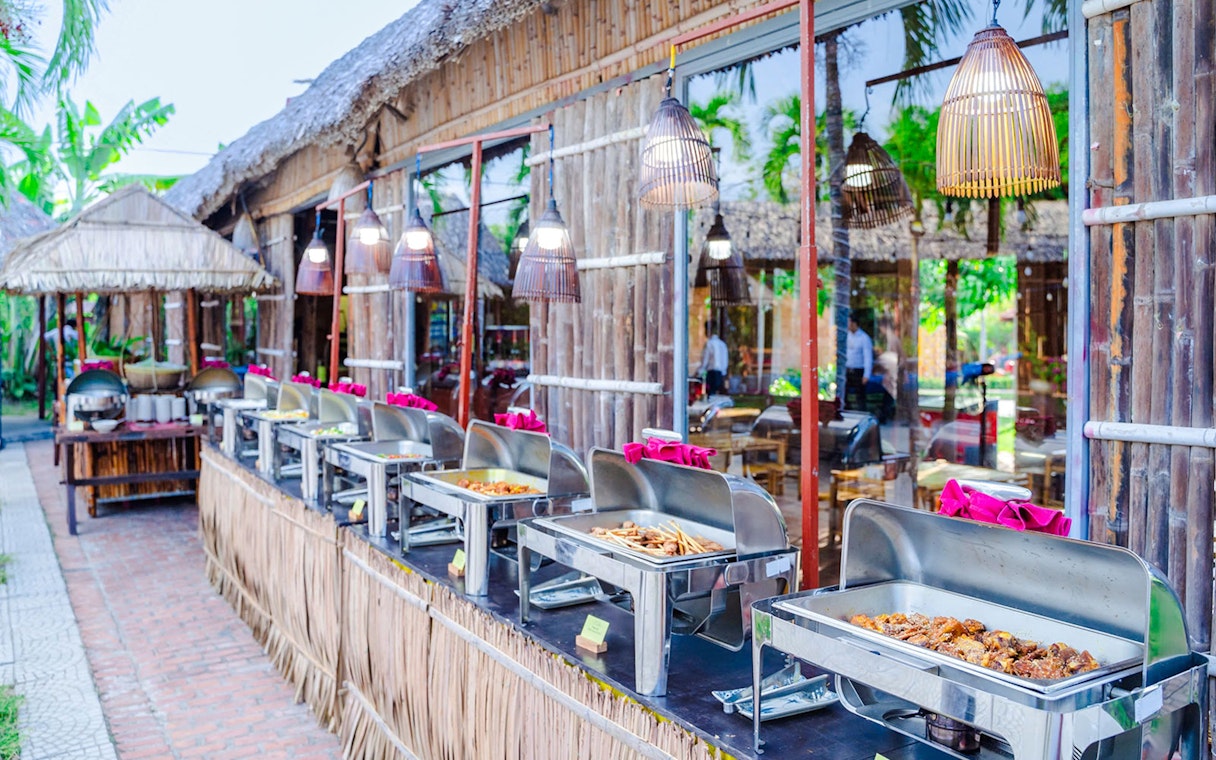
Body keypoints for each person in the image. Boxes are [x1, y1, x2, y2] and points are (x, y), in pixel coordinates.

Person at [845, 313, 873, 411]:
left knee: (860, 397)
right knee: (844, 394)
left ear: (854, 323)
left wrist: (866, 375)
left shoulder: (864, 338)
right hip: (848, 370)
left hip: (858, 371)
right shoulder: (846, 336)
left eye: (848, 322)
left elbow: (868, 357)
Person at [698, 322, 729, 396]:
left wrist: (699, 372)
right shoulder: (722, 344)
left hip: (712, 374)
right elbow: (725, 361)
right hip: (720, 374)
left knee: (710, 395)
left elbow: (705, 361)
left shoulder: (709, 344)